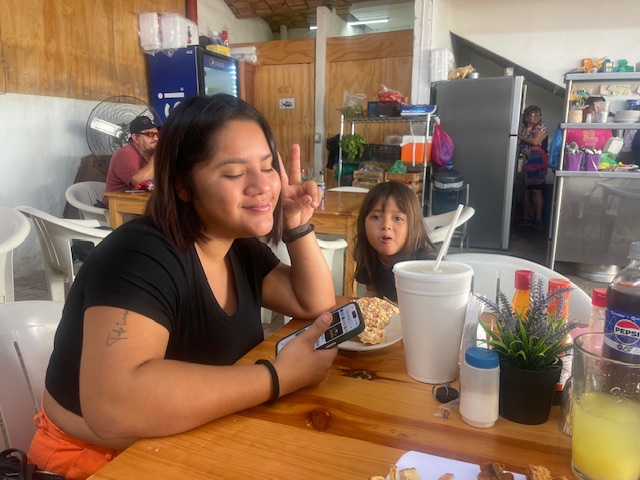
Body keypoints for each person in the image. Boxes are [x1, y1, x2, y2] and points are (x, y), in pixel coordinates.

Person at [28, 94, 338, 480]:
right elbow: (113, 406)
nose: (262, 185)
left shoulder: (236, 245)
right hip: (94, 461)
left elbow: (312, 302)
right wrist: (278, 377)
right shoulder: (139, 255)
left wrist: (296, 224)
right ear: (182, 185)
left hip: (188, 438)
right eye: (234, 173)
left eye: (267, 167)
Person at [353, 181, 438, 302]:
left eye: (397, 218)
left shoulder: (428, 263)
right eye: (376, 217)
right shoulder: (368, 255)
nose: (386, 225)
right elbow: (372, 292)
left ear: (413, 225)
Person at [102, 115, 161, 207]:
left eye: (157, 134)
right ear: (135, 138)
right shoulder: (124, 154)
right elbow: (140, 182)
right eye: (150, 135)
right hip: (118, 206)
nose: (156, 138)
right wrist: (157, 155)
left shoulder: (150, 153)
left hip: (142, 202)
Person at [517, 105, 548, 231]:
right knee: (524, 190)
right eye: (532, 114)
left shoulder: (541, 128)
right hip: (523, 162)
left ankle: (538, 219)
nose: (535, 117)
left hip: (537, 162)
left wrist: (519, 137)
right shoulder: (521, 127)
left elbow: (535, 141)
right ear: (526, 117)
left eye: (538, 114)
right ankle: (526, 217)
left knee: (536, 190)